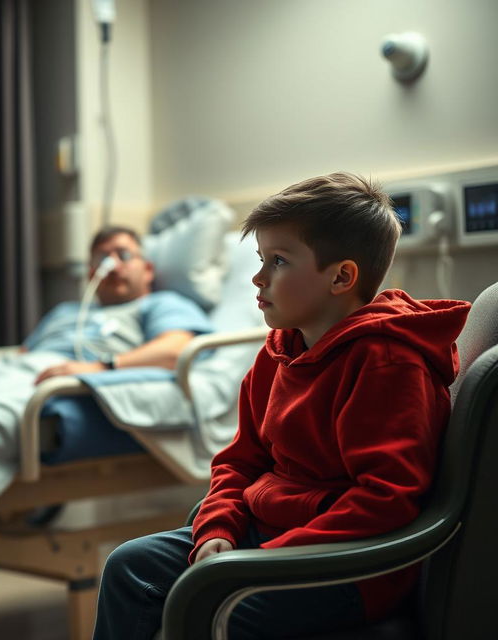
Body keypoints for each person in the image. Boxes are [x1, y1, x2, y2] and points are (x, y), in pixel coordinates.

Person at [91, 173, 471, 639]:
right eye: (260, 259)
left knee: (211, 612)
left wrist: (263, 562)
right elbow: (239, 460)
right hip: (263, 537)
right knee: (128, 566)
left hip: (346, 563)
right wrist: (218, 531)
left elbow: (386, 499)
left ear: (341, 276)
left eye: (278, 261)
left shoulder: (386, 363)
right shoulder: (277, 353)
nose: (258, 277)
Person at [23, 225, 214, 463]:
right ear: (92, 274)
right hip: (17, 373)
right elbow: (22, 354)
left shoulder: (161, 304)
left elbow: (175, 351)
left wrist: (100, 368)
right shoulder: (64, 312)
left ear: (147, 270)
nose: (113, 265)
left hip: (44, 389)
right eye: (103, 258)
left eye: (124, 255)